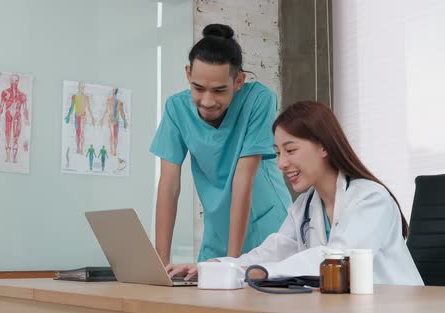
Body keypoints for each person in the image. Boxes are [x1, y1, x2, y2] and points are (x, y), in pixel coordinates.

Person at [167, 101, 423, 286]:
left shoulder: (370, 199)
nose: (281, 163)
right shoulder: (305, 206)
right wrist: (213, 268)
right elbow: (272, 251)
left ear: (323, 147)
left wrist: (262, 273)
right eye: (278, 153)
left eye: (291, 150)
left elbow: (336, 258)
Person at [150, 23, 291, 266]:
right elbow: (169, 186)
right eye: (198, 88)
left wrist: (232, 264)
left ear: (238, 81)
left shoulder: (259, 100)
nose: (207, 101)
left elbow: (243, 179)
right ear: (188, 74)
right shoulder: (176, 108)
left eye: (219, 90)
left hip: (266, 230)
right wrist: (160, 265)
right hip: (217, 234)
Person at [0, 74, 30, 163]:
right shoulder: (5, 92)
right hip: (8, 115)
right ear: (10, 81)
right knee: (7, 136)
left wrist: (26, 119)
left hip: (17, 116)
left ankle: (14, 158)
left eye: (16, 80)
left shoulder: (22, 95)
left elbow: (25, 108)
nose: (14, 82)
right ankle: (7, 157)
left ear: (18, 81)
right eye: (12, 80)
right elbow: (1, 104)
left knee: (15, 137)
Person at [99, 87, 128, 166]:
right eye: (113, 91)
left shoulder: (119, 102)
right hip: (110, 120)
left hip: (116, 120)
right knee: (112, 135)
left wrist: (125, 121)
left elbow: (122, 113)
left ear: (116, 92)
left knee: (115, 136)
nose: (113, 92)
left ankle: (114, 150)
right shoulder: (108, 101)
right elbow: (106, 110)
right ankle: (112, 149)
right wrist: (102, 119)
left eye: (114, 91)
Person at [65, 82, 95, 154]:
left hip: (83, 117)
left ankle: (81, 149)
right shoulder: (74, 96)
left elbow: (89, 108)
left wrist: (92, 118)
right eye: (81, 87)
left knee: (82, 133)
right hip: (77, 116)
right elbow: (72, 107)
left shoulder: (86, 97)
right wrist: (68, 116)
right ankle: (78, 148)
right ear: (78, 87)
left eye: (83, 87)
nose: (82, 88)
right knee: (77, 133)